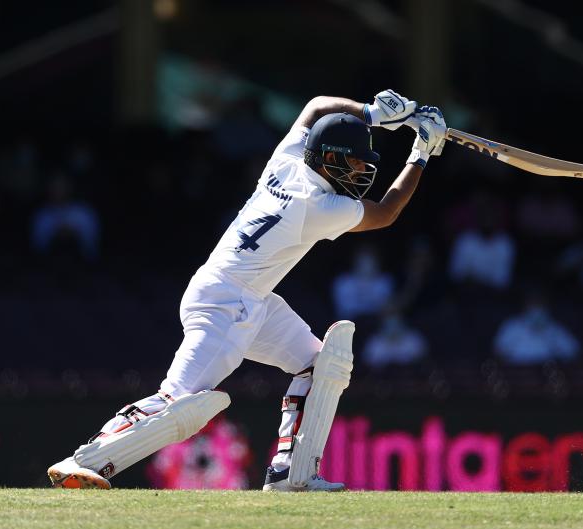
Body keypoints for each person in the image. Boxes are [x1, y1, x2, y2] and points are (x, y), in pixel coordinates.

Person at [47, 89, 447, 492]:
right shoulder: (317, 206)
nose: (363, 169)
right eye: (357, 160)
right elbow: (387, 212)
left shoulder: (288, 158)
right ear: (330, 159)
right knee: (180, 402)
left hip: (247, 297)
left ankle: (292, 473)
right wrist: (421, 152)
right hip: (226, 303)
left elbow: (314, 107)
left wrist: (371, 113)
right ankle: (86, 458)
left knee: (320, 365)